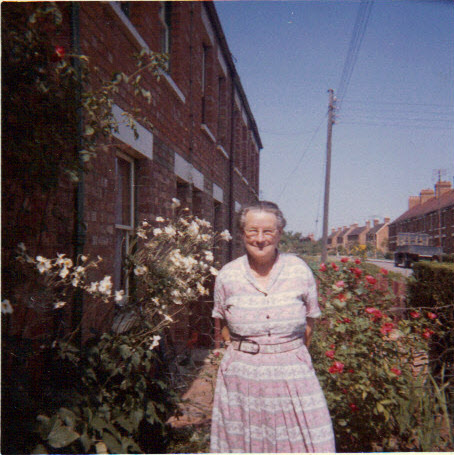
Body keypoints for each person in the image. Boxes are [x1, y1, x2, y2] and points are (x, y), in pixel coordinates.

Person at [210, 201, 335, 453]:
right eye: (252, 231)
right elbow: (221, 326)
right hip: (242, 378)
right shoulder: (227, 275)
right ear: (242, 233)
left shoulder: (299, 270)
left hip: (293, 376)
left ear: (279, 233)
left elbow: (309, 325)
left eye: (268, 232)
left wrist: (284, 354)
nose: (259, 239)